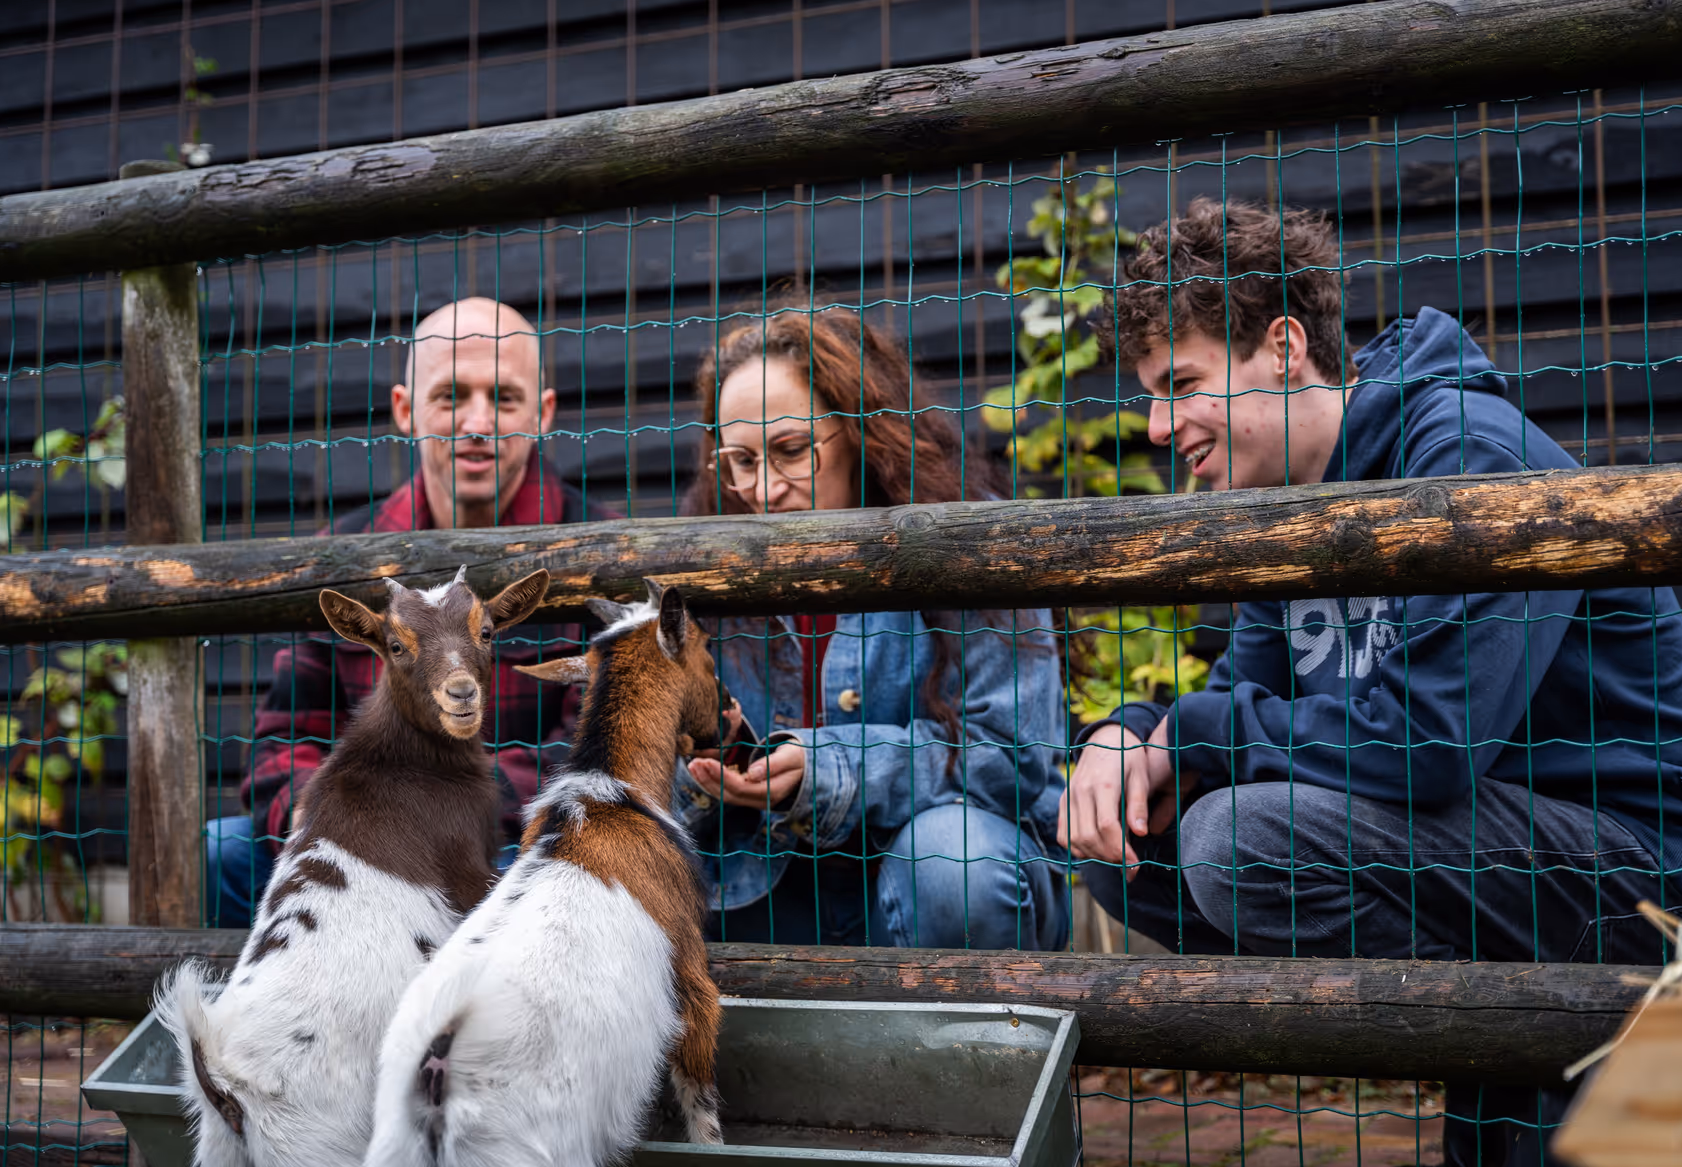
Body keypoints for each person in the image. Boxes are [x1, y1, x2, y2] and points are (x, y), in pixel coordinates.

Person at [1060, 197, 1682, 1167]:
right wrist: (1127, 733)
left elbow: (1430, 742)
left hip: (1649, 878)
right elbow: (1244, 705)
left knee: (1239, 839)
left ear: (1283, 347)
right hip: (1484, 862)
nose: (1159, 427)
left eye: (1182, 383)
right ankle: (1516, 1060)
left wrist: (1196, 732)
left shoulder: (1464, 453)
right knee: (1125, 839)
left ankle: (1592, 1068)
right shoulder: (1283, 515)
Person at [208, 297, 613, 927]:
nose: (478, 423)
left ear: (543, 413)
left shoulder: (598, 550)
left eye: (503, 399)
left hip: (516, 845)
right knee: (222, 852)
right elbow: (286, 735)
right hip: (362, 833)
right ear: (405, 408)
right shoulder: (346, 556)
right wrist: (315, 812)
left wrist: (433, 810)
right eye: (452, 396)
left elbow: (587, 751)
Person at [677, 303, 1069, 951]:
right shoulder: (708, 563)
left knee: (954, 862)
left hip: (932, 879)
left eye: (792, 450)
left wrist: (827, 770)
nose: (765, 489)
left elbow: (1009, 759)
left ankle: (977, 1049)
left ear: (861, 429)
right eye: (740, 461)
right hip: (766, 887)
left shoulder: (967, 531)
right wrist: (707, 772)